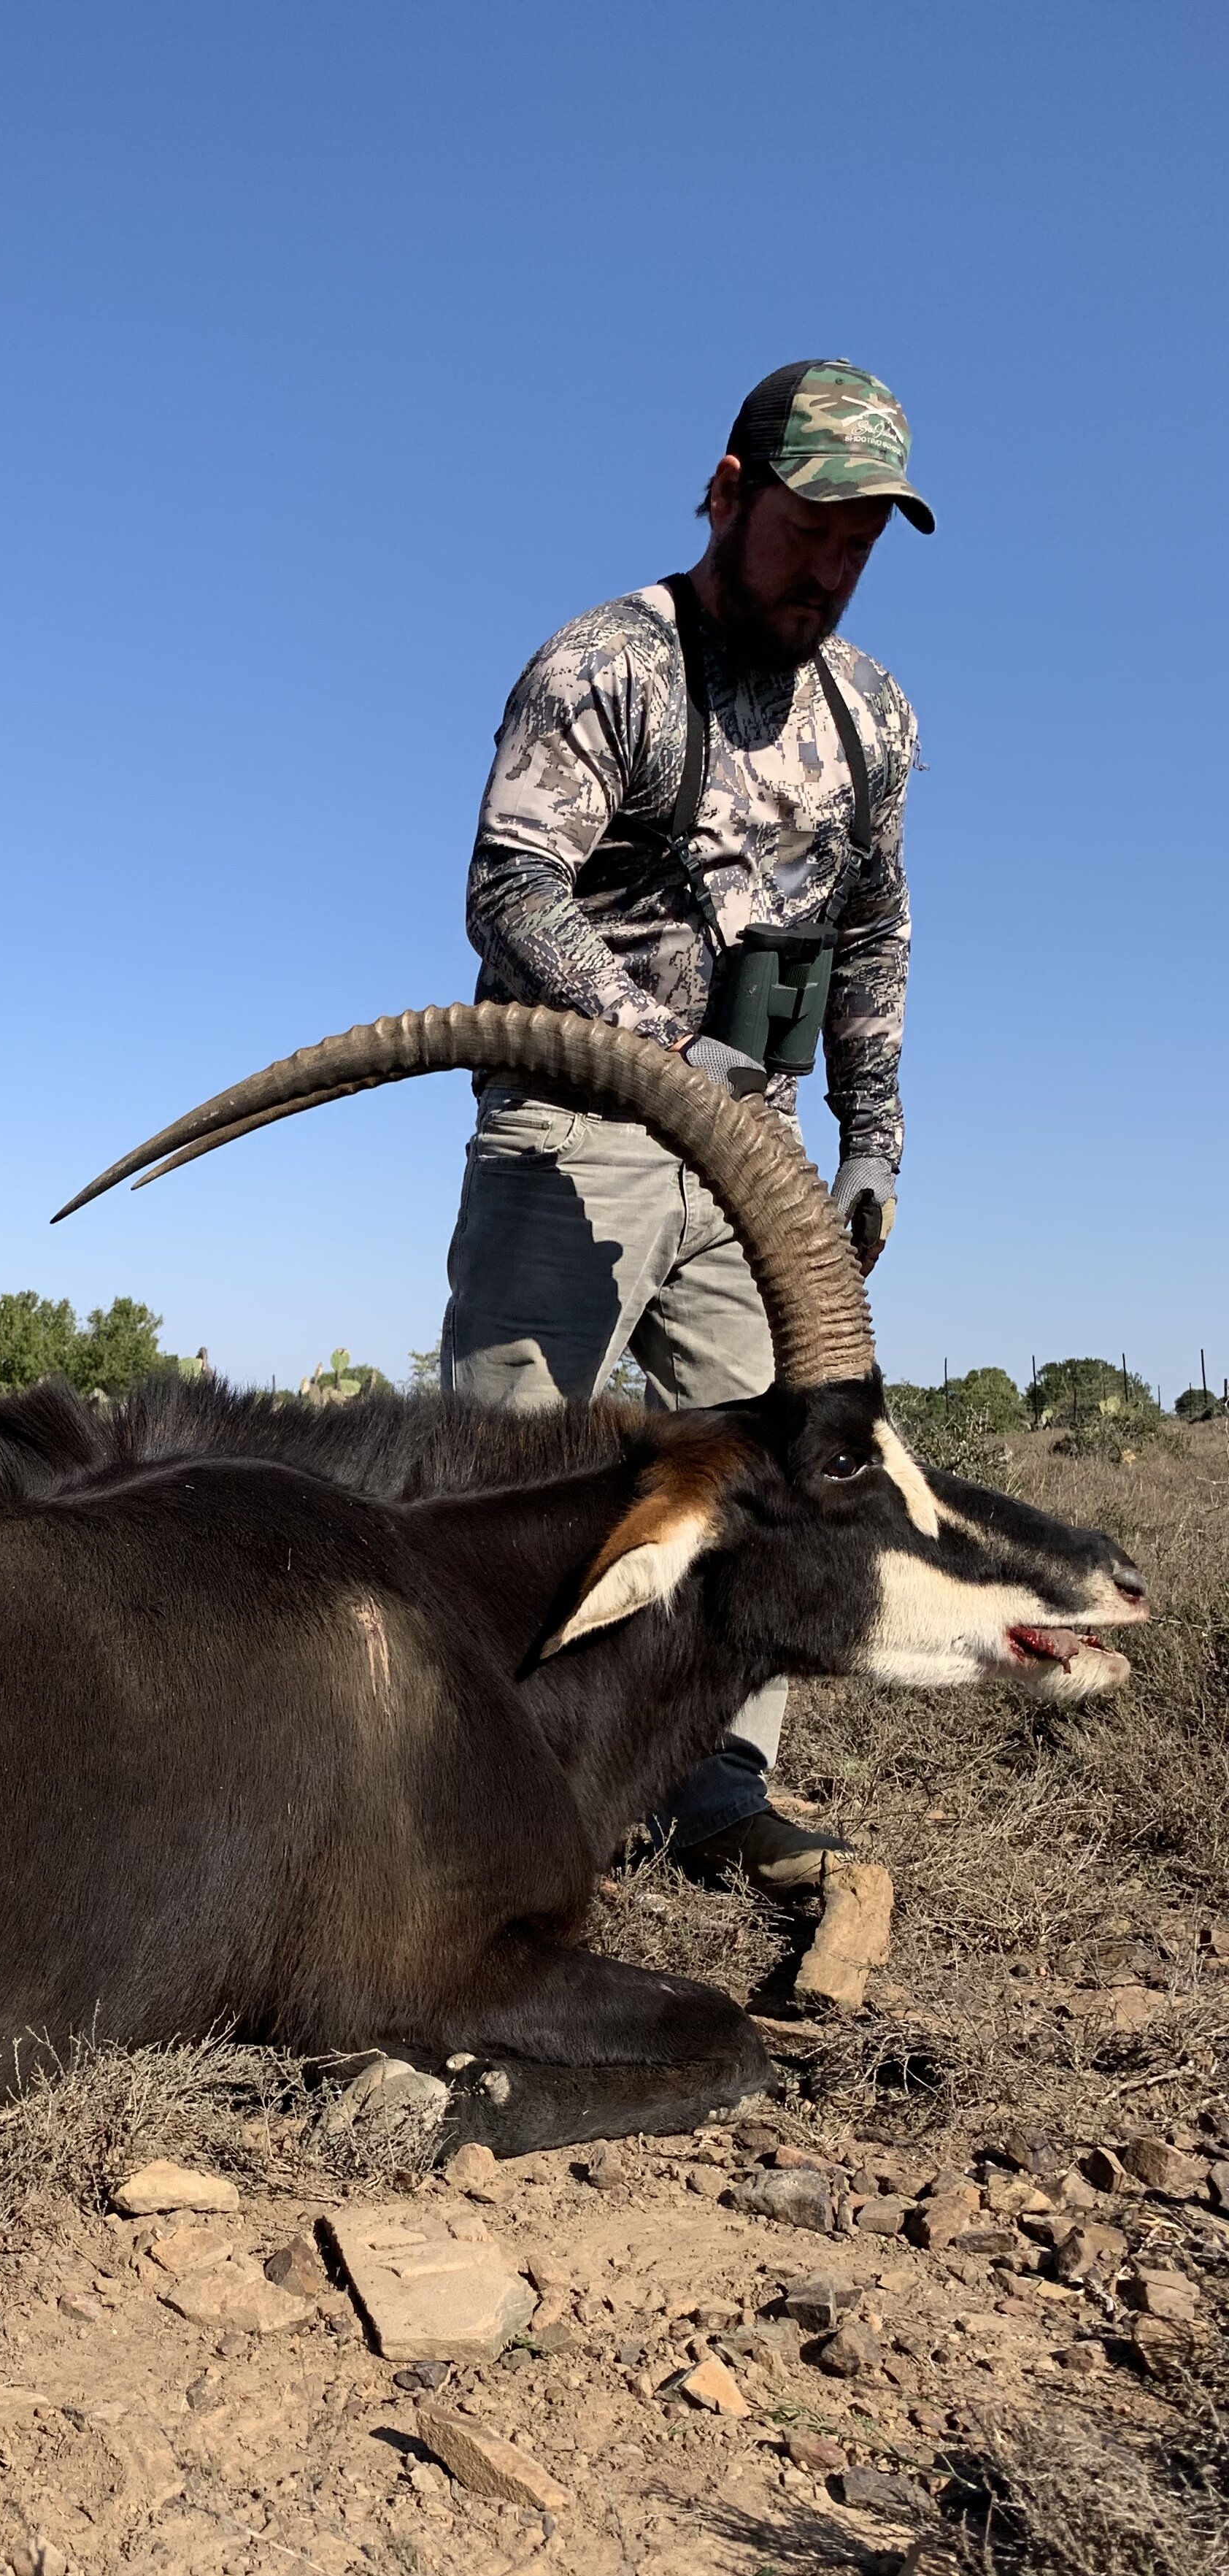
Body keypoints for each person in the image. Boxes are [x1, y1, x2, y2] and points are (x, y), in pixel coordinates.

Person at [442, 358, 930, 1888]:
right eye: (808, 530)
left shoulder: (873, 715)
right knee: (507, 1474)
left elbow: (874, 933)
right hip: (578, 1132)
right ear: (728, 494)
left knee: (786, 1469)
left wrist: (871, 1137)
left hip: (757, 1171)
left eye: (861, 542)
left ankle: (718, 1790)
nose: (830, 572)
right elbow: (512, 889)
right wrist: (664, 1053)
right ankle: (472, 1804)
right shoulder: (605, 666)